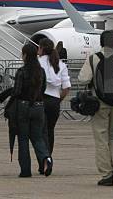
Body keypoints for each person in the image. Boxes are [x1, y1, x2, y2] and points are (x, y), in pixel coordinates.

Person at [78, 30, 113, 186]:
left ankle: (107, 174)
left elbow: (83, 79)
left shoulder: (93, 58)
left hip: (99, 105)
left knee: (101, 138)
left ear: (101, 42)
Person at [12, 43, 52, 177]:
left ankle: (25, 170)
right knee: (37, 137)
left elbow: (17, 91)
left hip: (23, 106)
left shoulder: (21, 72)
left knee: (23, 139)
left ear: (25, 55)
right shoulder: (41, 71)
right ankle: (46, 158)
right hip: (39, 107)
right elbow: (44, 88)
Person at [38, 38, 71, 168]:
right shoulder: (61, 64)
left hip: (41, 99)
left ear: (41, 48)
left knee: (41, 131)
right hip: (54, 100)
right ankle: (49, 156)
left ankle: (44, 159)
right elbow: (66, 87)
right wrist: (58, 99)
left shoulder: (37, 62)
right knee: (50, 130)